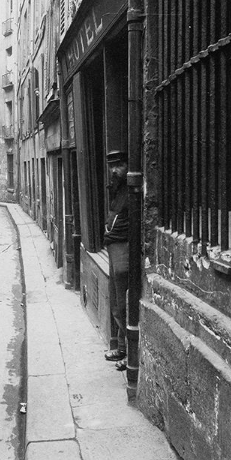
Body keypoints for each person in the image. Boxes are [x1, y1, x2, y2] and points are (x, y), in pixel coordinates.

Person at [103, 150, 129, 371]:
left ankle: (130, 355)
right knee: (116, 302)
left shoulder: (130, 190)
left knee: (124, 303)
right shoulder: (116, 188)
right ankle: (121, 347)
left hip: (123, 248)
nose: (114, 170)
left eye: (119, 165)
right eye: (111, 165)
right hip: (113, 247)